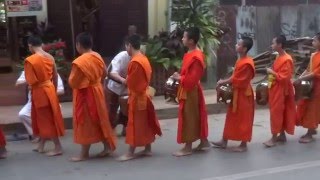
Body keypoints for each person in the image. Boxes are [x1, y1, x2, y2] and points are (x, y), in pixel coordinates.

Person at [69, 32, 116, 162]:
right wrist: (95, 82)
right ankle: (107, 147)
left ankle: (84, 154)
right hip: (97, 91)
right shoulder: (97, 56)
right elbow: (105, 73)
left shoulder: (79, 62)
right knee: (100, 119)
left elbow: (73, 82)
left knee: (85, 122)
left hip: (85, 94)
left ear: (78, 45)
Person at [118, 35, 162, 161]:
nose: (126, 48)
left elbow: (131, 83)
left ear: (130, 46)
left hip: (138, 98)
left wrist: (123, 80)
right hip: (144, 95)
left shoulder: (135, 62)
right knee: (145, 123)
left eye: (126, 46)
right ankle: (148, 149)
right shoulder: (143, 59)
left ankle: (130, 152)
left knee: (134, 125)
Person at [212, 36, 255, 152]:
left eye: (239, 44)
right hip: (237, 93)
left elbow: (240, 80)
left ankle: (243, 144)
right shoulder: (240, 60)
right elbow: (235, 76)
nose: (236, 45)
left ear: (244, 49)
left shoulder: (247, 63)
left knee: (244, 119)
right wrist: (225, 82)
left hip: (244, 95)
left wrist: (224, 82)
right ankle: (224, 140)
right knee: (231, 117)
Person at [171, 27, 210, 157]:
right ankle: (204, 142)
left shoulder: (197, 57)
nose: (182, 39)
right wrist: (180, 75)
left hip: (190, 90)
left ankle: (188, 147)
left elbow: (192, 79)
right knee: (196, 116)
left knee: (189, 117)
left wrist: (179, 78)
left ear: (191, 41)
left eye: (184, 37)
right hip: (189, 89)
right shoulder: (190, 53)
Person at [24, 36, 65, 156]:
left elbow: (31, 81)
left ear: (30, 46)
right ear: (41, 45)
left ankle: (58, 147)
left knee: (46, 119)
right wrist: (54, 90)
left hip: (40, 91)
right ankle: (41, 145)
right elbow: (56, 76)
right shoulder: (50, 57)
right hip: (50, 88)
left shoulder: (31, 60)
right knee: (43, 117)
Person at [263, 35, 296, 147]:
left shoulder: (287, 59)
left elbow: (284, 77)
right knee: (279, 112)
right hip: (276, 88)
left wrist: (271, 72)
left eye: (273, 43)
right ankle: (281, 135)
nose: (272, 45)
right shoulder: (279, 57)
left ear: (280, 45)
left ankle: (273, 138)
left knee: (276, 113)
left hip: (281, 89)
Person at [16, 70, 65, 142]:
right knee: (23, 114)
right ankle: (37, 134)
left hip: (49, 101)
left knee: (46, 115)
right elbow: (18, 83)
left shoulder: (51, 72)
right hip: (33, 102)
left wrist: (44, 91)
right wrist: (31, 80)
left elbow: (61, 91)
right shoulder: (28, 71)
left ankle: (49, 135)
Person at [295, 33, 320, 143]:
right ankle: (312, 129)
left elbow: (315, 73)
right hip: (309, 84)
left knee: (312, 109)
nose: (312, 42)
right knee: (305, 105)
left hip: (317, 85)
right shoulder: (314, 55)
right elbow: (309, 68)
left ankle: (310, 133)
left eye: (315, 41)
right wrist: (300, 77)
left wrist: (301, 79)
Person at [105, 51, 130, 136]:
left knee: (128, 109)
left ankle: (126, 129)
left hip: (128, 88)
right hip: (114, 87)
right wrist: (123, 81)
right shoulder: (122, 56)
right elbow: (111, 73)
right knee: (111, 110)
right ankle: (109, 132)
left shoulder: (140, 58)